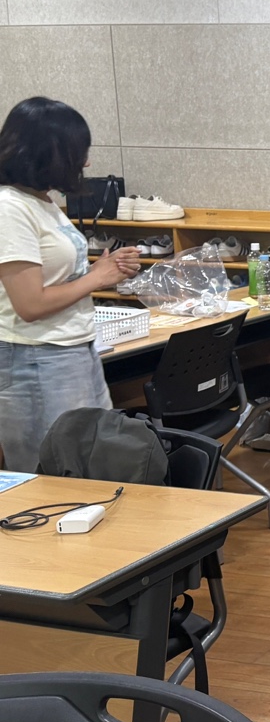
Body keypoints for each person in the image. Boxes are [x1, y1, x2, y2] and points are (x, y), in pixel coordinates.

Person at [0, 98, 141, 474]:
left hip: (73, 350)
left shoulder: (42, 202)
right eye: (79, 153)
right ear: (49, 153)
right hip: (37, 358)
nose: (86, 164)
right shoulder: (9, 208)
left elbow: (55, 278)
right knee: (52, 474)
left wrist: (104, 268)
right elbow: (30, 305)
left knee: (92, 463)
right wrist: (97, 278)